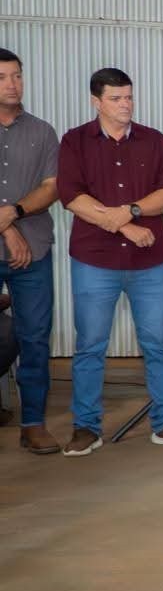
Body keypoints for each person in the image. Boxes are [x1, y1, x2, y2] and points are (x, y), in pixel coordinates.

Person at [56, 68, 163, 456]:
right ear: (96, 102)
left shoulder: (154, 140)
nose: (125, 104)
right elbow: (72, 196)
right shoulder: (75, 141)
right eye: (116, 99)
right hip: (94, 261)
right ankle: (86, 427)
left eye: (129, 97)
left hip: (149, 263)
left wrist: (129, 210)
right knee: (90, 346)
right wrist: (127, 226)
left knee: (158, 345)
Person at [0, 47, 60, 454]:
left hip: (33, 251)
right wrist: (8, 229)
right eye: (3, 77)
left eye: (17, 75)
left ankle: (33, 423)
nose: (13, 84)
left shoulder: (43, 132)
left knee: (35, 337)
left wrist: (14, 214)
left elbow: (51, 187)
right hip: (16, 240)